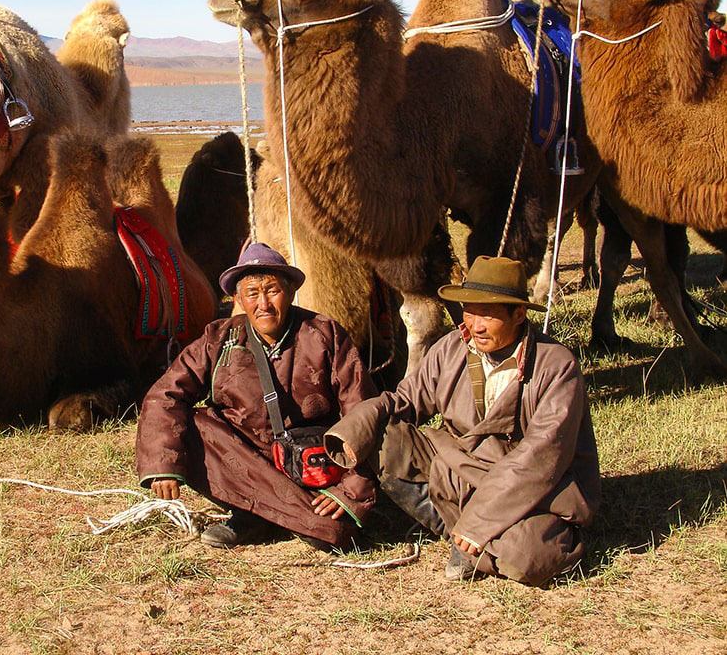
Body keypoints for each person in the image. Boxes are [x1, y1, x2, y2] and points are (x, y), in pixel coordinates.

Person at [324, 256, 601, 586]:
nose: (476, 325)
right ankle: (459, 532)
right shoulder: (452, 348)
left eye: (488, 314)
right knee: (381, 437)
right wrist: (353, 430)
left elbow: (543, 455)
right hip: (458, 466)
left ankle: (473, 538)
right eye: (469, 311)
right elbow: (406, 400)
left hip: (531, 486)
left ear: (519, 314)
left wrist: (482, 520)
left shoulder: (556, 365)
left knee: (530, 557)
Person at [136, 243, 377, 550]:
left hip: (313, 468)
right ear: (238, 300)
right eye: (252, 293)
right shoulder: (219, 338)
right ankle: (261, 515)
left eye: (272, 290)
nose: (263, 303)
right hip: (243, 465)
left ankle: (266, 517)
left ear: (290, 292)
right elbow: (165, 395)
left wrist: (351, 490)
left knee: (335, 533)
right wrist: (163, 462)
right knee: (194, 425)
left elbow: (363, 412)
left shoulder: (324, 334)